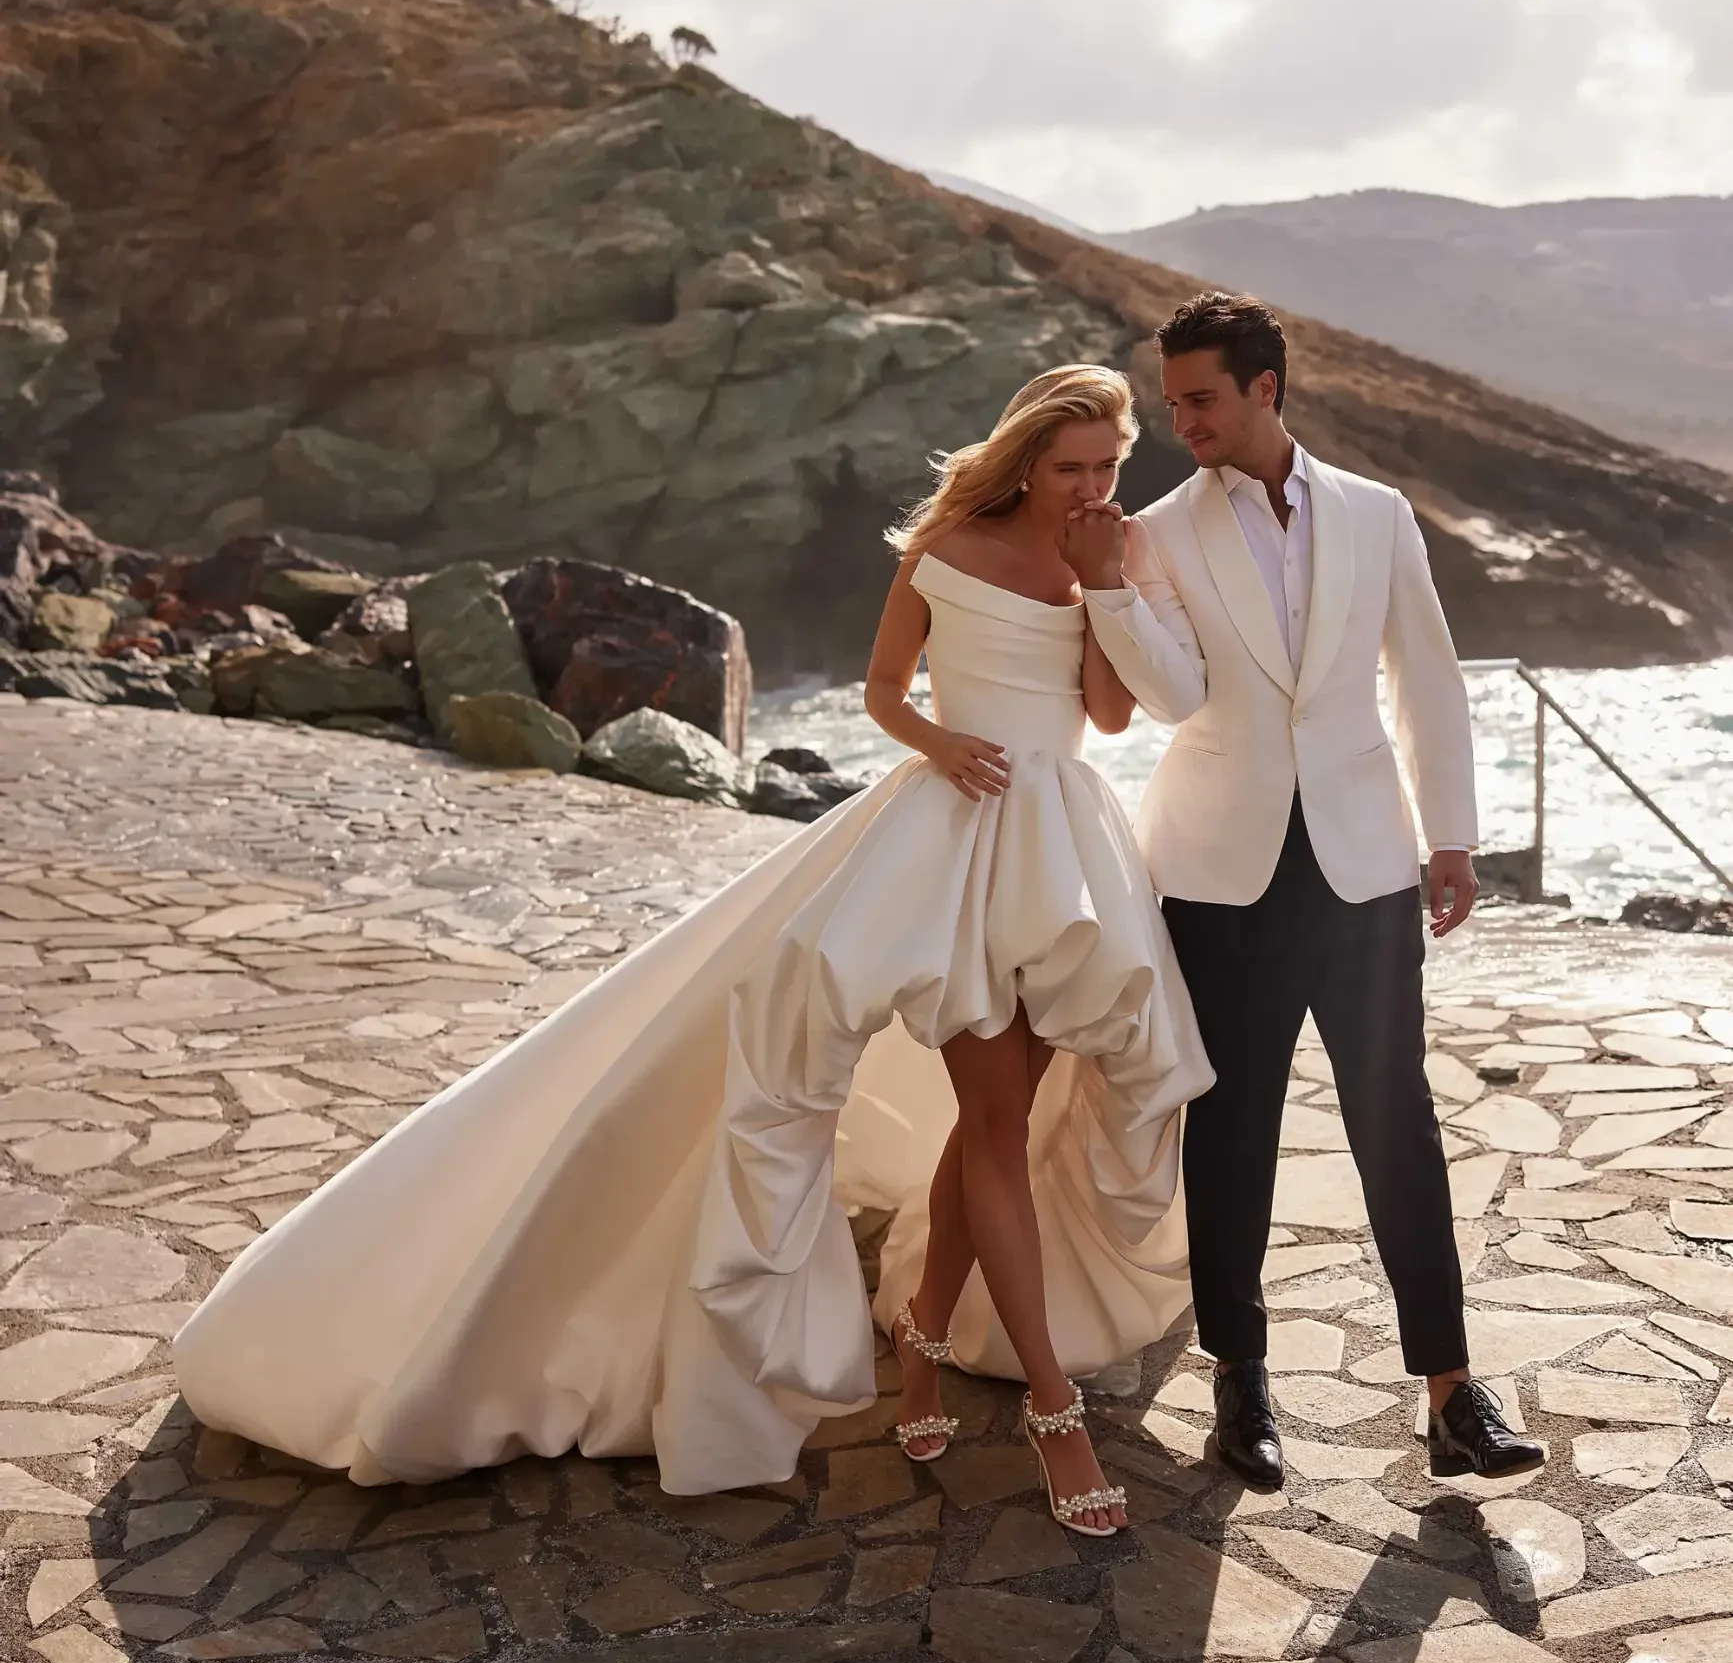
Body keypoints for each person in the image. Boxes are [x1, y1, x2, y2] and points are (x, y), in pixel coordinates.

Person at [174, 366, 1214, 1533]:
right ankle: (1052, 1409)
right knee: (989, 1118)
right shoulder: (942, 548)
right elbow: (880, 690)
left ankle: (923, 1332)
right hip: (957, 833)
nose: (1091, 485)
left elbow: (1111, 718)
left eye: (1109, 466)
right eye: (1071, 465)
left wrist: (1106, 584)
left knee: (1002, 1121)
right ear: (1024, 456)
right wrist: (939, 740)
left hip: (1064, 845)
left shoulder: (1098, 557)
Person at [1067, 292, 1543, 1489]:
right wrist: (1108, 594)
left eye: (1201, 398)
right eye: (1171, 399)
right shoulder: (1159, 530)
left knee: (1397, 1120)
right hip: (1220, 874)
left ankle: (1448, 1388)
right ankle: (1243, 1384)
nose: (1181, 420)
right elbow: (1171, 699)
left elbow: (1424, 678)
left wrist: (1450, 836)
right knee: (1232, 1133)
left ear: (1265, 388)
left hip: (1365, 862)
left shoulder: (1377, 515)